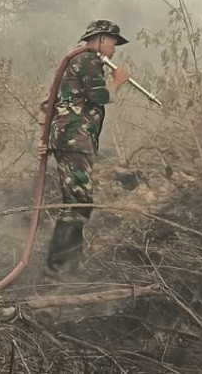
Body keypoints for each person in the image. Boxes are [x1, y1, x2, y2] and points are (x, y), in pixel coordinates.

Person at [45, 19, 131, 274]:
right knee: (79, 203)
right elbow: (99, 96)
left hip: (72, 139)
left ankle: (68, 265)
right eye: (113, 42)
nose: (114, 49)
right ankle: (60, 268)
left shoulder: (79, 60)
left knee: (77, 201)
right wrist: (118, 81)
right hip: (75, 139)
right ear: (101, 38)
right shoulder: (88, 59)